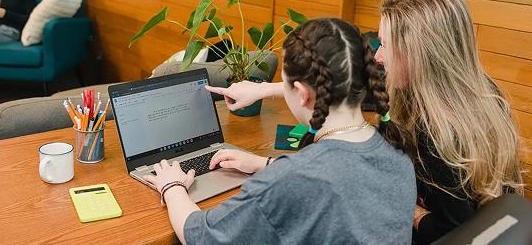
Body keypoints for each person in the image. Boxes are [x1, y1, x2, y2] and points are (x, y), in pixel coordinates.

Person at [206, 0, 524, 244]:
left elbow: (451, 233)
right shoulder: (479, 92)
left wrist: (400, 202)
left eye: (385, 44)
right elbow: (350, 90)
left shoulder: (438, 134)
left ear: (421, 55)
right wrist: (269, 90)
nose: (379, 56)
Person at [144, 18, 416, 244]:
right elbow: (336, 179)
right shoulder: (397, 153)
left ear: (301, 94)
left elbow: (201, 236)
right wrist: (266, 164)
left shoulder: (293, 179)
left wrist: (171, 186)